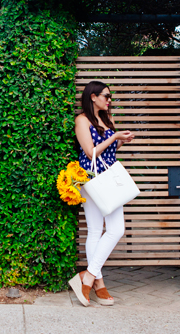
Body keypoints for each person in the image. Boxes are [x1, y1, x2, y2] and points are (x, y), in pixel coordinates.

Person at [68, 80, 134, 307]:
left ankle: (88, 277)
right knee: (97, 230)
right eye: (106, 96)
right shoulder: (81, 120)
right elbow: (90, 152)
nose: (109, 100)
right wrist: (114, 137)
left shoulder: (108, 120)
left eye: (110, 97)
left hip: (110, 179)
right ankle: (98, 282)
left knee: (115, 229)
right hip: (92, 180)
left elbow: (110, 152)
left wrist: (120, 140)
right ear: (93, 97)